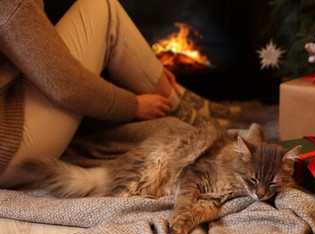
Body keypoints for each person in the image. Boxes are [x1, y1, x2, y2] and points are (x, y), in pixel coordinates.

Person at [0, 0, 238, 188]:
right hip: (7, 151)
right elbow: (66, 86)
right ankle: (186, 108)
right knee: (103, 8)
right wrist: (133, 105)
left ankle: (183, 102)